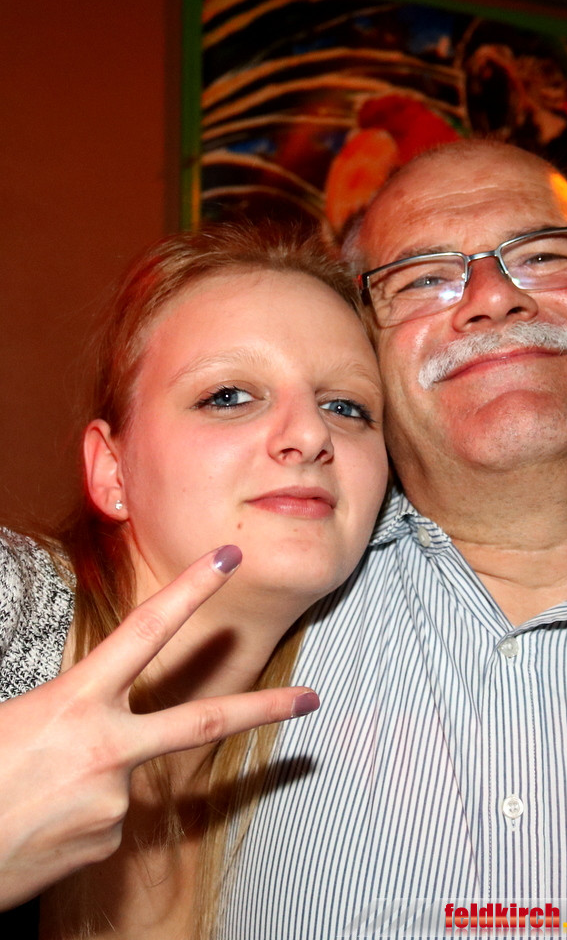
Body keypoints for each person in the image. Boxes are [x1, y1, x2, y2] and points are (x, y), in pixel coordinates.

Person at [224, 140, 567, 940]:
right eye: (422, 278)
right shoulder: (236, 618)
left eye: (543, 255)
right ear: (364, 374)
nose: (493, 297)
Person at [0, 222, 388, 938]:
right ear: (112, 472)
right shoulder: (11, 606)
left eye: (347, 407)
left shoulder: (308, 776)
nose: (309, 435)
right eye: (229, 396)